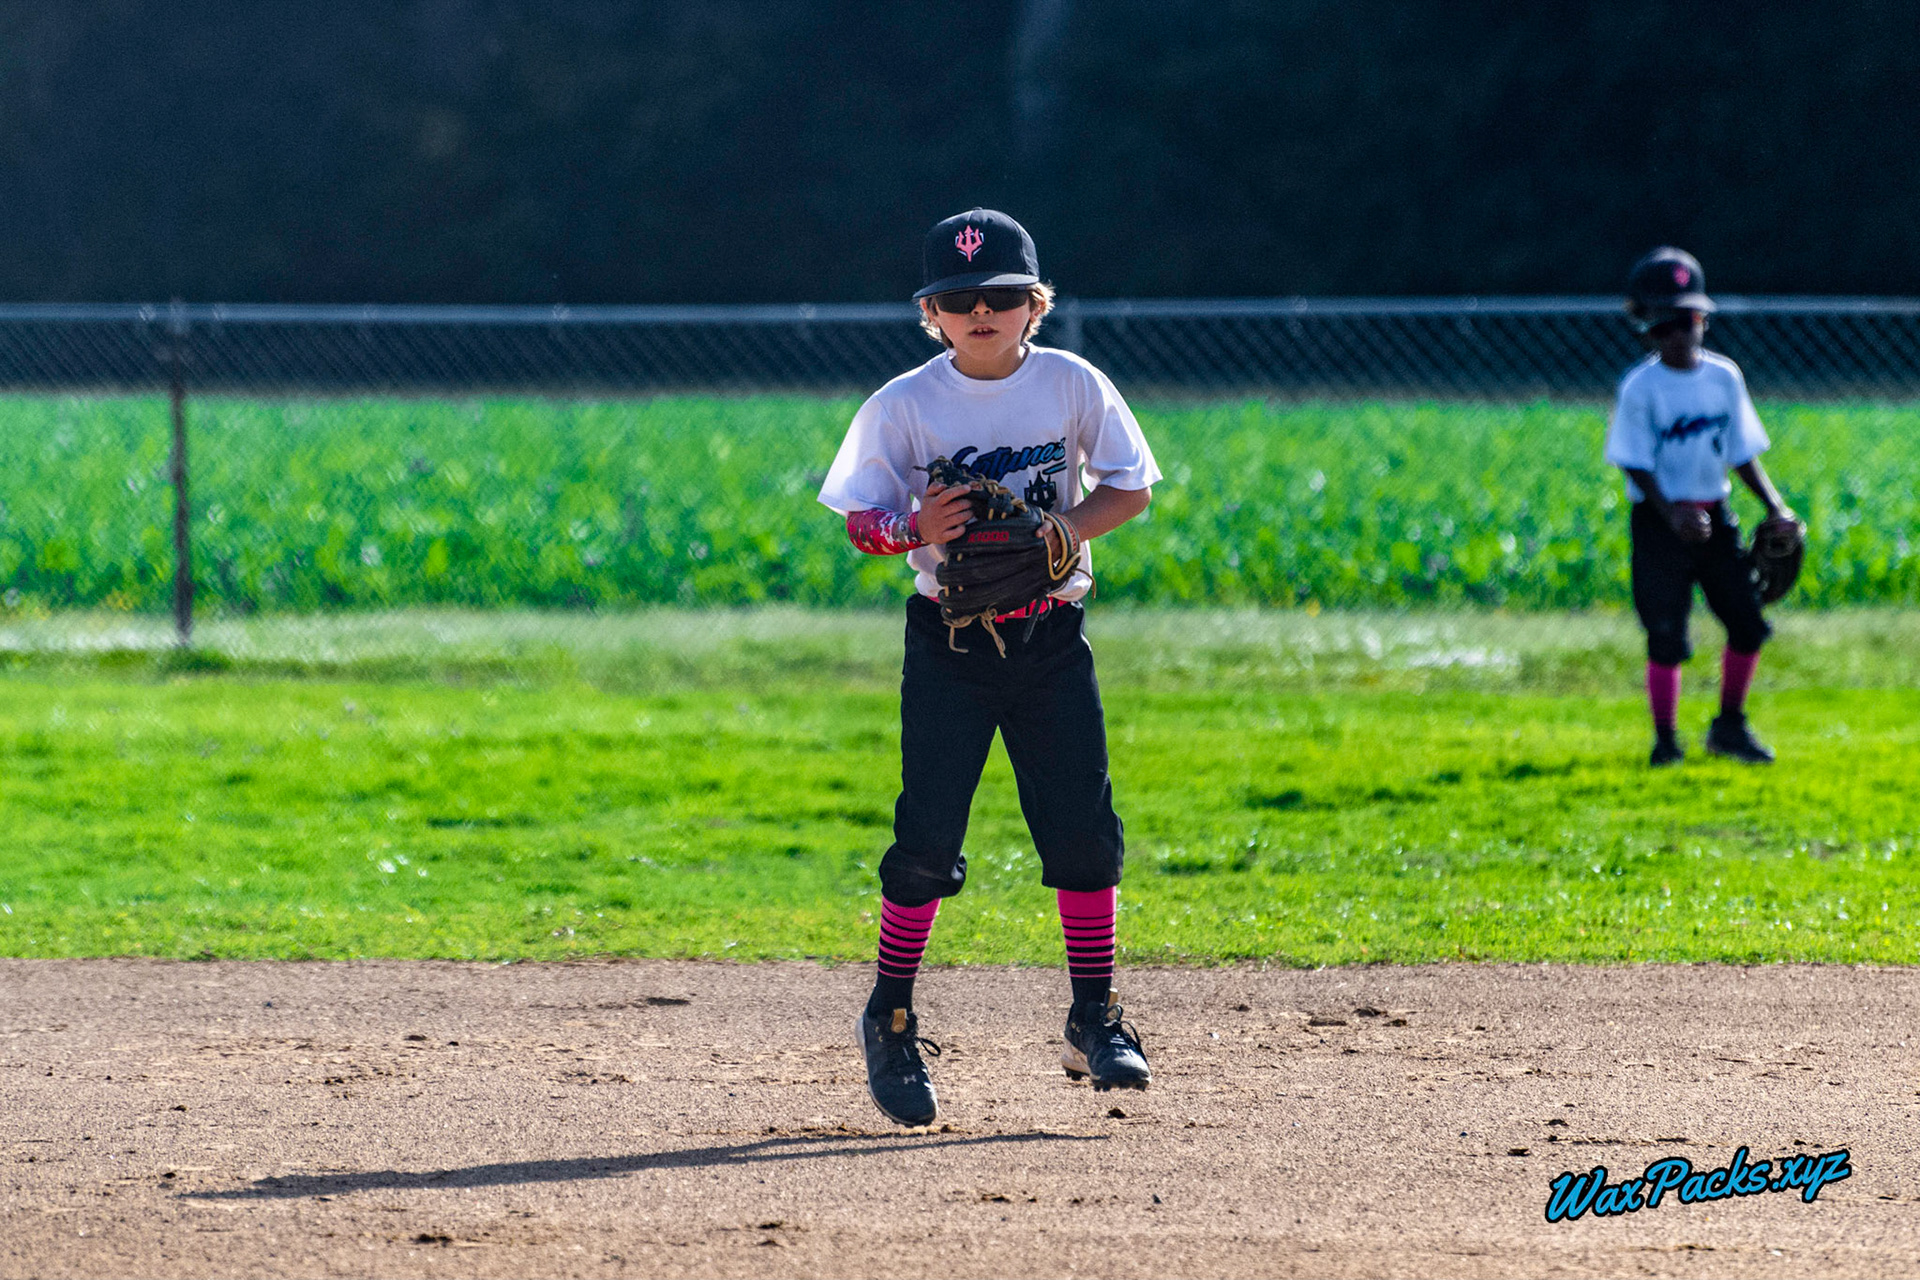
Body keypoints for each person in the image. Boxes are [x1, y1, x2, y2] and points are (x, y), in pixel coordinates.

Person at [817, 208, 1162, 1126]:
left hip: (1051, 637)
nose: (981, 310)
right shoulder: (904, 405)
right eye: (959, 297)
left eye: (1001, 296)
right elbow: (859, 522)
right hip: (950, 645)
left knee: (1085, 836)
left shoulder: (1071, 385)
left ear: (1035, 305)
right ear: (932, 312)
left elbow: (1131, 487)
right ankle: (890, 1016)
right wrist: (913, 532)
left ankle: (1095, 1015)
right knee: (927, 839)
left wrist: (1062, 530)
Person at [1604, 247, 1796, 767]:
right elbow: (1634, 462)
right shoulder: (1640, 388)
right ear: (1645, 329)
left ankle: (1729, 727)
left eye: (1688, 321)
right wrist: (1673, 516)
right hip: (1660, 524)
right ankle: (1666, 742)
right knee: (1666, 633)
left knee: (1748, 623)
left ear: (1703, 320)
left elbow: (1741, 453)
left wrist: (1776, 506)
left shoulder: (1723, 378)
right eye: (1665, 326)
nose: (1680, 336)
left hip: (1717, 517)